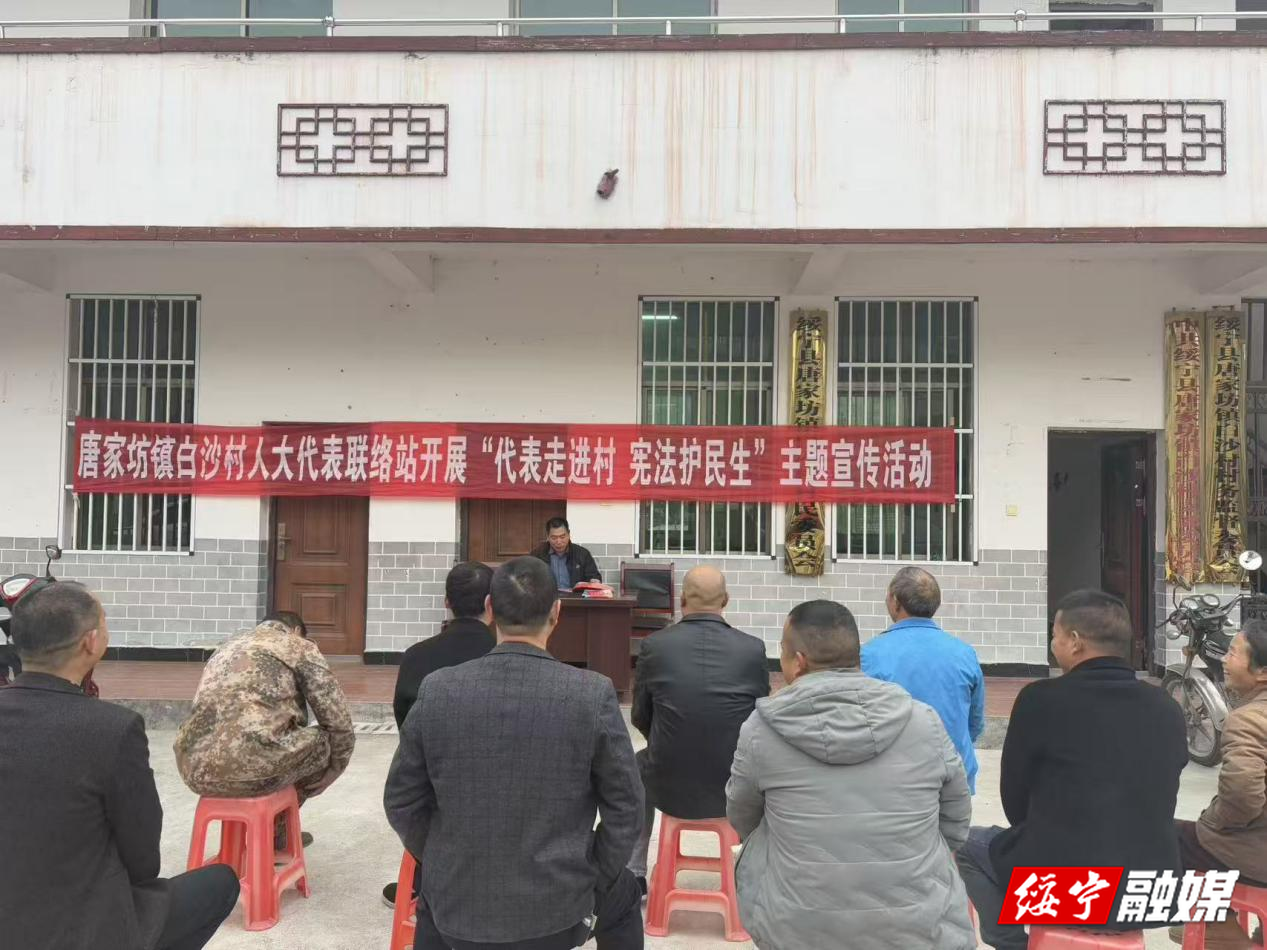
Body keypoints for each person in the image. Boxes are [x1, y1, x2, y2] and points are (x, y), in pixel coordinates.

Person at [385, 556, 644, 950]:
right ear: (557, 612)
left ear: (490, 608)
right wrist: (593, 871)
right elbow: (626, 807)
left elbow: (401, 800)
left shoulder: (438, 689)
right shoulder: (590, 694)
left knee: (431, 911)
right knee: (624, 896)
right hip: (560, 909)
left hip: (458, 904)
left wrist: (439, 858)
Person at [0, 582, 240, 950]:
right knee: (220, 882)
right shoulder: (112, 728)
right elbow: (143, 861)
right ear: (91, 642)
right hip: (78, 931)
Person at [726, 599, 974, 950]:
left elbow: (742, 816)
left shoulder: (761, 730)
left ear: (798, 662)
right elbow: (956, 820)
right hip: (920, 929)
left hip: (797, 931)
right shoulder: (924, 721)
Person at [956, 589, 1188, 949]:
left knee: (965, 844)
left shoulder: (1040, 699)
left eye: (1056, 635)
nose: (1053, 645)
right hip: (1150, 890)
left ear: (1075, 641)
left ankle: (1012, 943)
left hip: (1069, 888)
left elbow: (1015, 801)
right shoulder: (1166, 706)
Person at [629, 565, 769, 889]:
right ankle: (753, 872)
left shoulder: (655, 646)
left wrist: (669, 742)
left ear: (682, 601)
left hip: (667, 783)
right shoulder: (752, 649)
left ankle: (633, 873)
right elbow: (759, 718)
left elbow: (640, 715)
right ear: (726, 600)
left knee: (635, 765)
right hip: (735, 784)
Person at [173, 610, 356, 838]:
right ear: (296, 631)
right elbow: (338, 721)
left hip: (194, 770)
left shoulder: (226, 647)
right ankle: (276, 830)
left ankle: (253, 833)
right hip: (258, 769)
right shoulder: (298, 645)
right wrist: (335, 769)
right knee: (328, 740)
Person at [383, 560, 496, 908]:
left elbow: (406, 729)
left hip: (433, 792)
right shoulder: (506, 657)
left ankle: (423, 875)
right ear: (492, 603)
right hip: (501, 795)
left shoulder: (416, 657)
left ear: (447, 602)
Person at [1170, 619, 1267, 948]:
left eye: (1234, 653)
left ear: (1262, 672)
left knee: (1169, 838)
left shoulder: (1249, 720)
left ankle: (1216, 927)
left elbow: (1241, 797)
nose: (1224, 659)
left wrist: (1211, 823)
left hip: (1258, 856)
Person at [862, 566, 986, 791]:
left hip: (894, 781)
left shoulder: (870, 655)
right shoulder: (964, 653)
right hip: (954, 776)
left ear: (895, 601)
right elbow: (974, 722)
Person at [531, 517, 602, 590]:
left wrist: (594, 581)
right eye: (554, 538)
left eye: (562, 537)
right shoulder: (537, 555)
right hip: (547, 596)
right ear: (548, 536)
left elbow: (594, 576)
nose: (559, 542)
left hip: (576, 596)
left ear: (569, 534)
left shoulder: (582, 554)